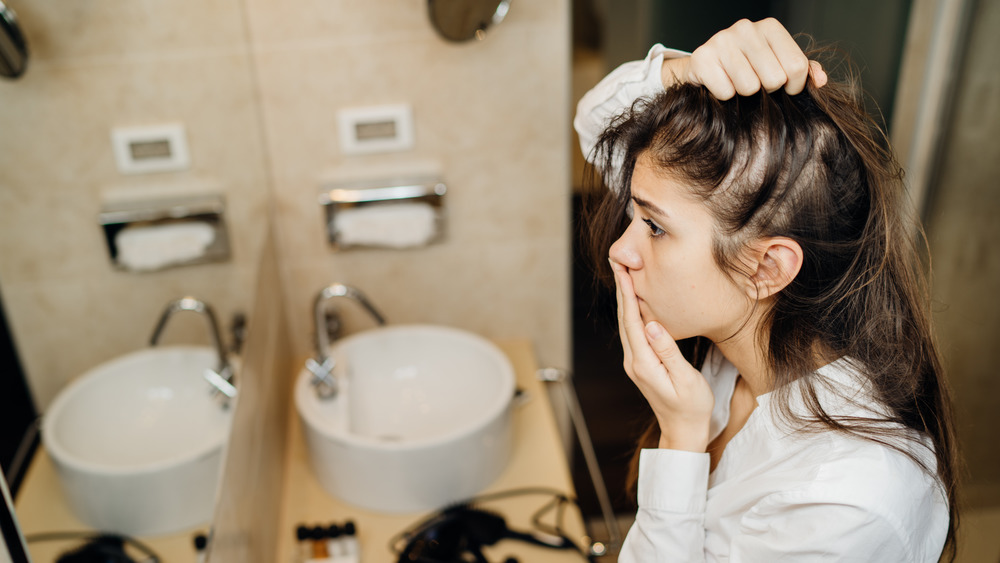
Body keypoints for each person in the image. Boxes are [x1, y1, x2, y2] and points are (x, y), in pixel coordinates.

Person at [574, 18, 959, 562]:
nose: (621, 250)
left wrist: (682, 438)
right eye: (635, 216)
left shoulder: (845, 502)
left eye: (655, 228)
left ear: (768, 269)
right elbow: (595, 123)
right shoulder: (750, 340)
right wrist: (687, 71)